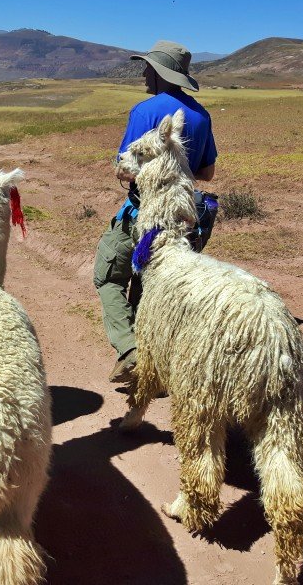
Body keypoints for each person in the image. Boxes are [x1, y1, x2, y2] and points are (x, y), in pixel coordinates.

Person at [93, 40, 217, 385]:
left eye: (148, 67)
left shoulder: (145, 111)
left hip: (144, 213)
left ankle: (131, 353)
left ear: (160, 72)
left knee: (109, 276)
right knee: (156, 291)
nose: (144, 72)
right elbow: (206, 174)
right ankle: (155, 368)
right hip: (182, 217)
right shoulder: (201, 116)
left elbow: (126, 169)